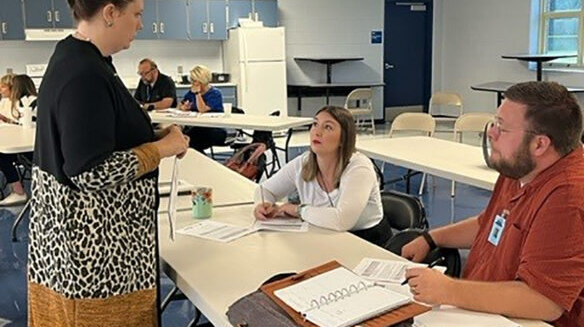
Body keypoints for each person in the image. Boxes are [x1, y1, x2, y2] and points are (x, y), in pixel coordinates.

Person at [28, 0, 189, 327]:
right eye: (137, 14)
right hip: (96, 264)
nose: (140, 24)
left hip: (84, 252)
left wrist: (153, 134)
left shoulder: (82, 60)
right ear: (110, 13)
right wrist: (160, 148)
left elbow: (102, 131)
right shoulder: (85, 73)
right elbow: (90, 171)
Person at [401, 81, 584, 326]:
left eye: (502, 128)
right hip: (483, 311)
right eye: (494, 122)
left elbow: (544, 301)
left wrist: (448, 290)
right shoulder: (519, 167)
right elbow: (489, 224)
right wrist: (432, 238)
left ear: (540, 144)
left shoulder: (568, 197)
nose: (490, 133)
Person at [253, 105, 390, 246]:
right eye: (315, 124)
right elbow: (264, 190)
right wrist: (263, 205)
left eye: (328, 127)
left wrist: (298, 210)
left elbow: (342, 221)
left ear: (344, 139)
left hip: (367, 241)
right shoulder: (304, 162)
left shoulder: (359, 168)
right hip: (322, 236)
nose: (317, 132)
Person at [0, 74, 38, 206]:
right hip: (33, 147)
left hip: (35, 150)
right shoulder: (25, 102)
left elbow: (31, 126)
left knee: (1, 156)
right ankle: (18, 191)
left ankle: (19, 192)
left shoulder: (31, 103)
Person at [179, 64, 227, 153]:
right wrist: (184, 107)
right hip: (198, 127)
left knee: (191, 142)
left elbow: (202, 109)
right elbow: (181, 104)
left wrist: (197, 94)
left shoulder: (215, 94)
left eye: (194, 81)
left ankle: (202, 161)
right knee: (182, 138)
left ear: (202, 81)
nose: (192, 83)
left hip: (214, 129)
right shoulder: (191, 92)